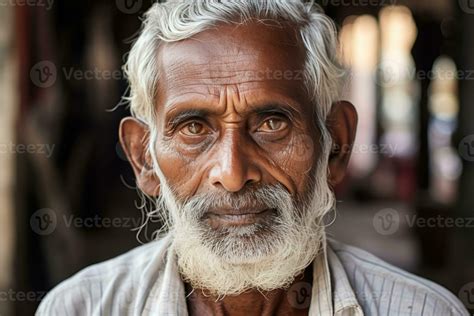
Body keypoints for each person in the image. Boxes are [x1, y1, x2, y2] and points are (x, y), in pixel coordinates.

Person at [36, 1, 469, 315]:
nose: (233, 172)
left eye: (272, 124)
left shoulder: (421, 311)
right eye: (193, 128)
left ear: (335, 144)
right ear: (144, 159)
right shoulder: (79, 308)